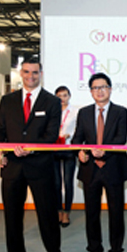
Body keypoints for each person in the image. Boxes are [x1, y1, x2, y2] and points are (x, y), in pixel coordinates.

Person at [0, 56, 64, 252]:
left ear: (40, 74)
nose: (30, 76)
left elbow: (51, 135)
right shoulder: (8, 100)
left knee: (47, 215)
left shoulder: (51, 101)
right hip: (12, 167)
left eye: (34, 72)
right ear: (20, 73)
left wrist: (30, 148)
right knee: (12, 217)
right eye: (26, 72)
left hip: (40, 167)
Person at [71, 73, 127, 252]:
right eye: (95, 88)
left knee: (116, 213)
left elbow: (121, 138)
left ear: (110, 89)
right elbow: (77, 139)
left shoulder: (121, 112)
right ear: (91, 92)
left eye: (103, 87)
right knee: (91, 214)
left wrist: (103, 151)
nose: (100, 91)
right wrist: (80, 151)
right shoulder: (84, 113)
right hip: (90, 170)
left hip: (113, 168)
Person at [53, 86, 78, 228]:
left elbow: (79, 129)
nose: (62, 98)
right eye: (59, 96)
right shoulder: (52, 111)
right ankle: (58, 211)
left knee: (68, 183)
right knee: (56, 183)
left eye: (65, 95)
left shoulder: (75, 112)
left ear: (69, 96)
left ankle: (67, 213)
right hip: (54, 149)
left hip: (69, 149)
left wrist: (70, 135)